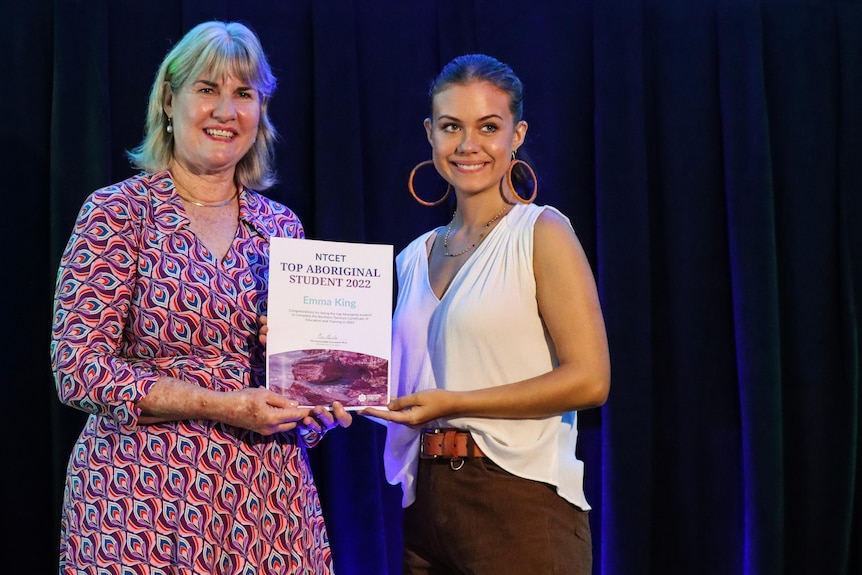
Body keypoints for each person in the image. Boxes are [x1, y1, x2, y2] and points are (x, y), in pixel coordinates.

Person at [50, 21, 351, 575]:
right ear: (169, 101)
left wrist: (320, 401)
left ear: (260, 113)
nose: (225, 110)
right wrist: (224, 406)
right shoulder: (117, 213)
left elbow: (305, 384)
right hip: (139, 500)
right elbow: (79, 370)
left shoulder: (280, 226)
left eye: (244, 94)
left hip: (267, 500)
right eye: (207, 90)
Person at [361, 54, 611, 574]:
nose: (468, 145)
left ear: (517, 135)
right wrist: (307, 354)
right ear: (430, 134)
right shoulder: (412, 256)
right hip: (426, 502)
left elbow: (591, 381)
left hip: (518, 499)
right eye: (451, 126)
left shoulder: (541, 233)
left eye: (488, 127)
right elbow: (387, 386)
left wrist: (455, 402)